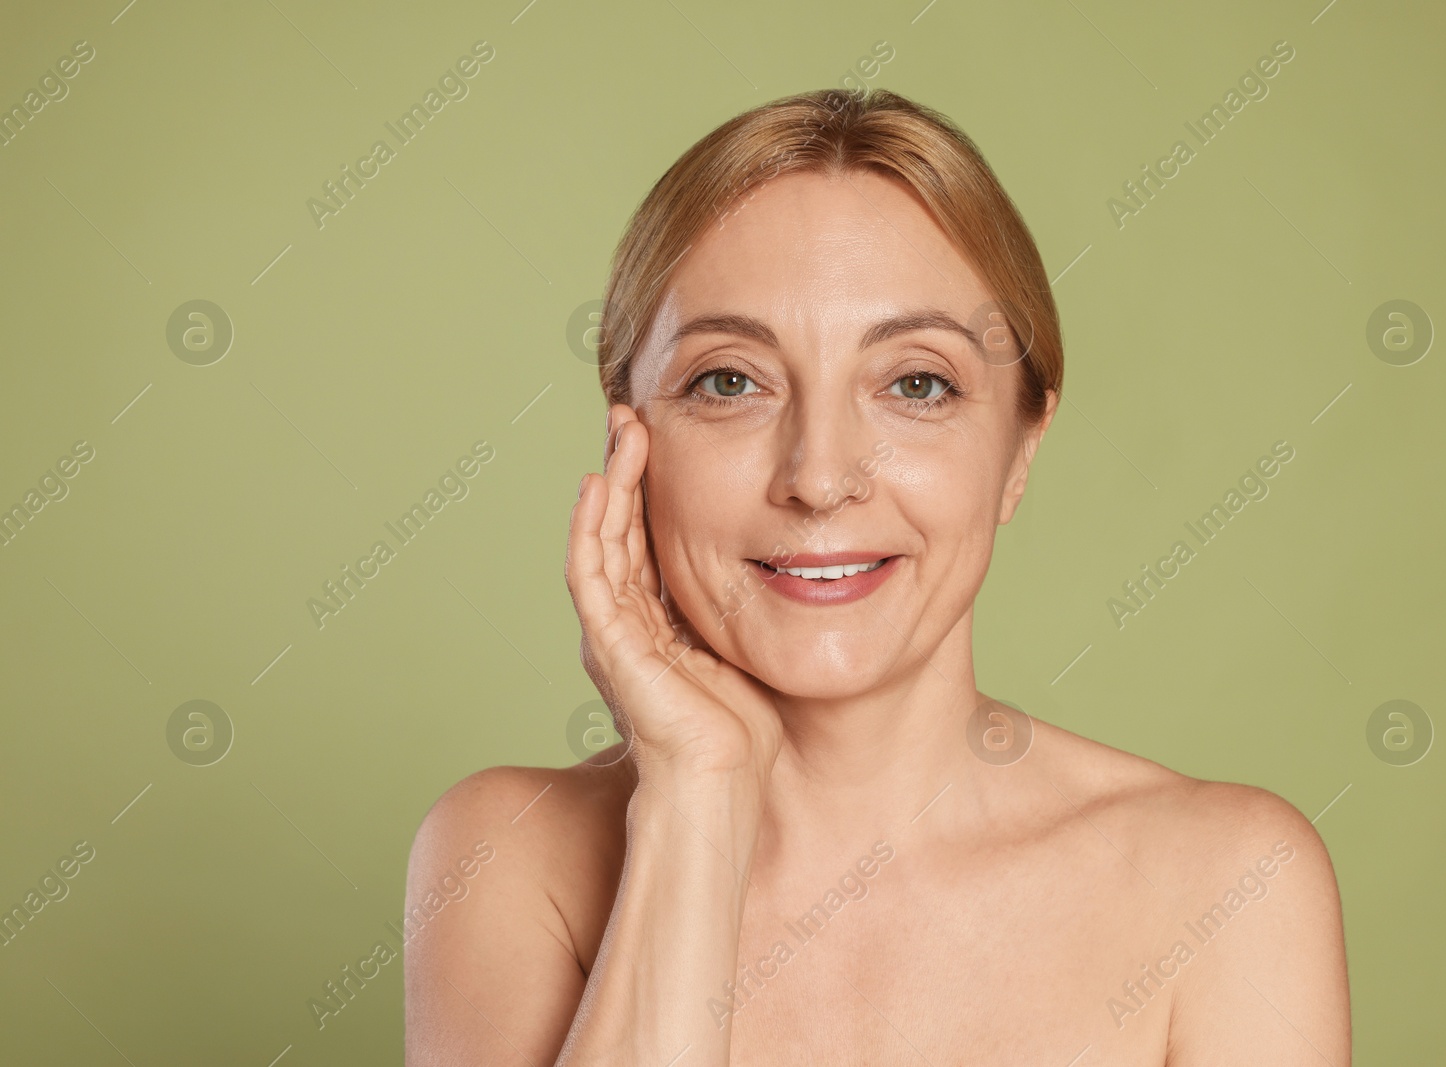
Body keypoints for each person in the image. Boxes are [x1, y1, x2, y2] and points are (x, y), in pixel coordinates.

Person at [404, 87, 1350, 1066]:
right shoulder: (504, 858)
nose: (818, 477)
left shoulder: (1227, 885)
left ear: (1020, 446)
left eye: (916, 383)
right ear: (628, 439)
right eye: (729, 380)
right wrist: (698, 801)